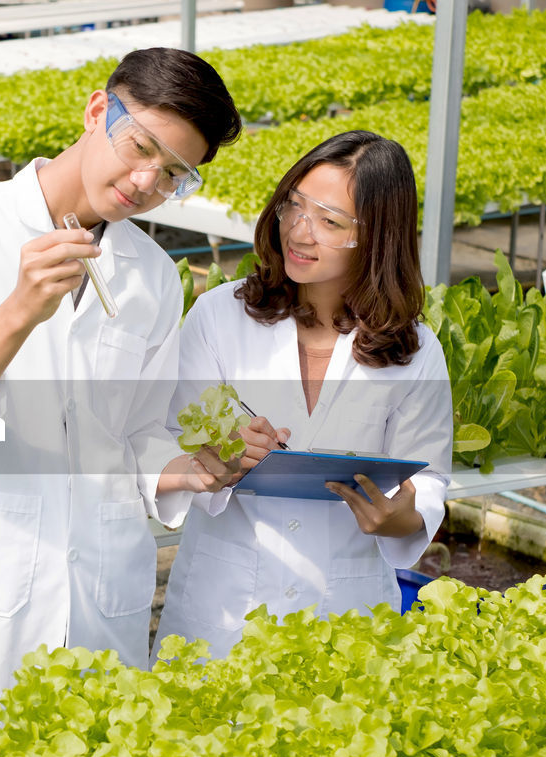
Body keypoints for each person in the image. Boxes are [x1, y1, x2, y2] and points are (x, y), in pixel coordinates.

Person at [0, 48, 244, 702]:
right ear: (98, 110)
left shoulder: (154, 275)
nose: (144, 181)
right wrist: (19, 310)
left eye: (173, 174)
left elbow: (135, 435)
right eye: (140, 147)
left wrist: (188, 465)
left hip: (105, 598)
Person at [153, 130, 454, 661]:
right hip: (222, 613)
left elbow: (425, 484)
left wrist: (399, 515)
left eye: (330, 222)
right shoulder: (219, 317)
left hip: (347, 614)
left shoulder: (415, 350)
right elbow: (173, 440)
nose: (299, 232)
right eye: (293, 206)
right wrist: (221, 456)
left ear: (378, 236)